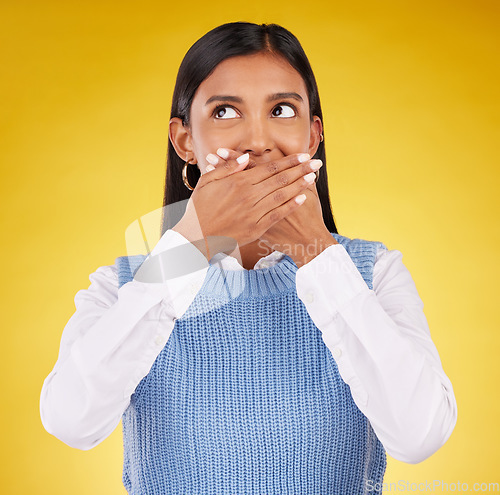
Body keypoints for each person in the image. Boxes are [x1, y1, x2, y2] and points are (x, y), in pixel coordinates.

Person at [40, 21, 457, 494]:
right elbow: (71, 422)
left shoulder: (374, 274)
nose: (258, 141)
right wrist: (190, 246)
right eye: (224, 112)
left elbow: (419, 436)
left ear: (313, 136)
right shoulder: (124, 287)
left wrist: (319, 253)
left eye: (281, 109)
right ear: (185, 142)